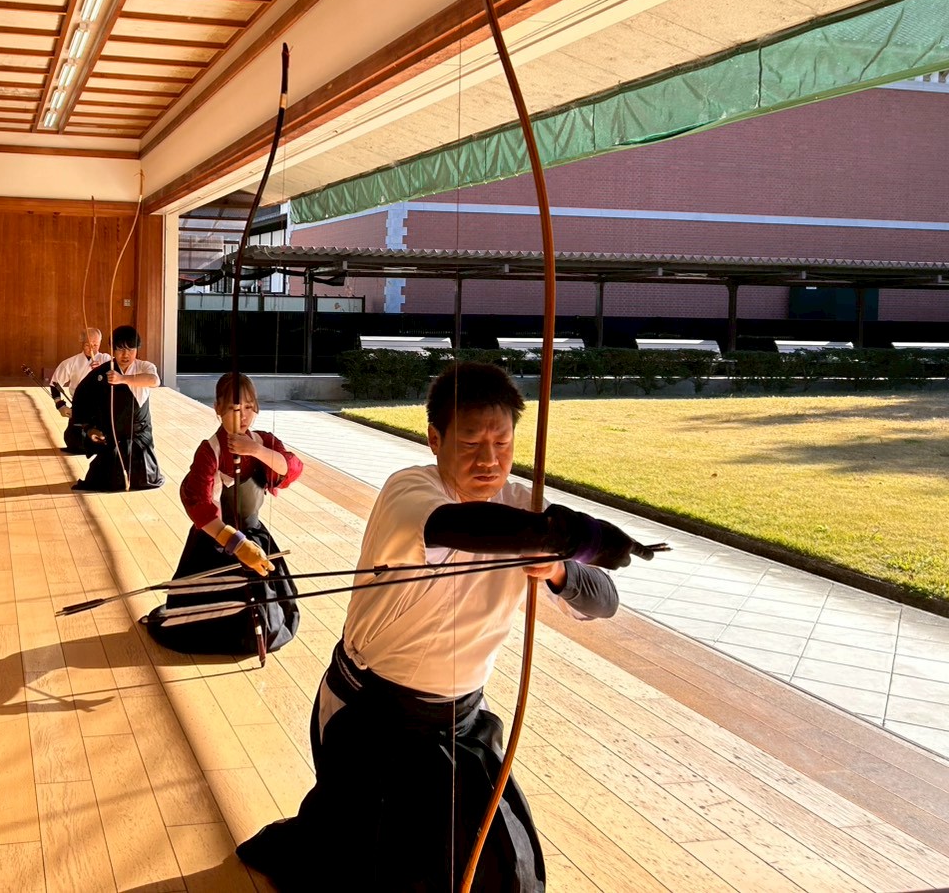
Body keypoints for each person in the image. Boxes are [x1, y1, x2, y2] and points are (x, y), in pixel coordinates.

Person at [236, 361, 660, 893]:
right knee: (366, 874)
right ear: (435, 440)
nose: (489, 460)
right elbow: (458, 526)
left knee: (500, 870)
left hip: (460, 721)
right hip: (372, 715)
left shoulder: (525, 512)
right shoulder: (410, 490)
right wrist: (565, 536)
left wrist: (557, 568)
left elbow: (604, 601)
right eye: (471, 443)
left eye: (502, 443)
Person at [143, 373, 303, 656]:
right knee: (209, 617)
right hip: (216, 540)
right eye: (235, 408)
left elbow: (291, 467)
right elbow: (199, 504)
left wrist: (256, 450)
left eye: (250, 407)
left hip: (255, 536)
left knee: (266, 613)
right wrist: (237, 544)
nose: (244, 416)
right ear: (218, 409)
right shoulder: (210, 451)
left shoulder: (263, 441)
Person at [70, 325, 164, 492]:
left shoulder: (144, 366)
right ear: (112, 350)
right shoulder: (103, 372)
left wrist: (122, 379)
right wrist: (90, 428)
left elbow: (154, 381)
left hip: (139, 436)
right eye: (120, 349)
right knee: (107, 480)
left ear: (137, 349)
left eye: (130, 349)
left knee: (143, 478)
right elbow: (83, 398)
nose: (125, 354)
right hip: (113, 436)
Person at [48, 328, 109, 454]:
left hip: (102, 407)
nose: (92, 349)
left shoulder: (107, 360)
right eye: (88, 345)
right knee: (73, 442)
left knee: (103, 441)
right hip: (79, 405)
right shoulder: (71, 363)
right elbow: (55, 383)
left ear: (100, 343)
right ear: (81, 343)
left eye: (95, 345)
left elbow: (119, 376)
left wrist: (102, 370)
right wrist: (60, 405)